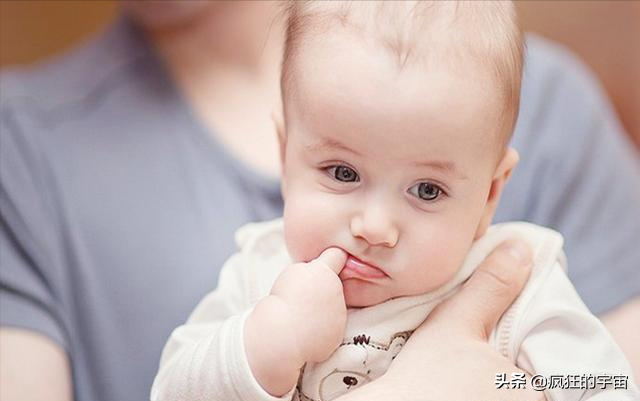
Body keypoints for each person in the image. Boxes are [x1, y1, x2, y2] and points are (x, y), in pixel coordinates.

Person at [0, 2, 638, 401]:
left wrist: (511, 385)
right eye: (340, 172)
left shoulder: (520, 273)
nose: (375, 225)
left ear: (492, 193)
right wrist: (262, 345)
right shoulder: (259, 274)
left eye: (427, 190)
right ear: (286, 155)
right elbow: (171, 391)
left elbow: (610, 384)